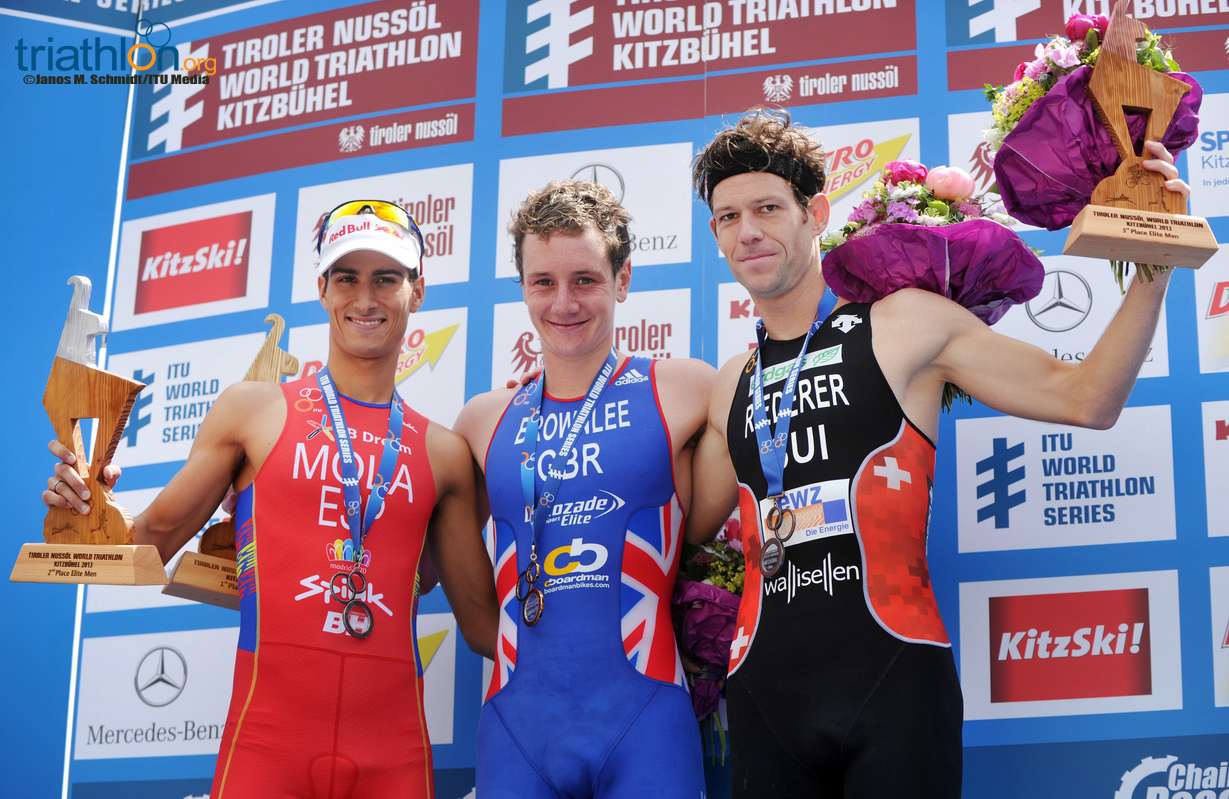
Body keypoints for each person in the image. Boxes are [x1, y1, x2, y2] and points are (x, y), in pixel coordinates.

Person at [687, 110, 1190, 797]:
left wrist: (1151, 264)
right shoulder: (726, 387)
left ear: (815, 212)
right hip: (764, 700)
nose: (747, 232)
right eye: (727, 216)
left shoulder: (903, 324)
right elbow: (676, 535)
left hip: (893, 685)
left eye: (767, 208)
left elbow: (1086, 398)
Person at [43, 200, 498, 799]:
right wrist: (83, 507)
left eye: (386, 278)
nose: (365, 298)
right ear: (322, 288)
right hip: (266, 747)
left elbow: (485, 629)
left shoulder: (445, 456)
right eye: (347, 277)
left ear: (418, 292)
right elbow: (147, 544)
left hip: (395, 756)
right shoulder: (252, 411)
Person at [453, 180, 714, 798]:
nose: (564, 302)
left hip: (645, 719)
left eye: (586, 280)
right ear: (522, 288)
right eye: (544, 282)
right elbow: (418, 556)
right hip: (518, 725)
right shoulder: (480, 422)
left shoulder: (687, 390)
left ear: (623, 281)